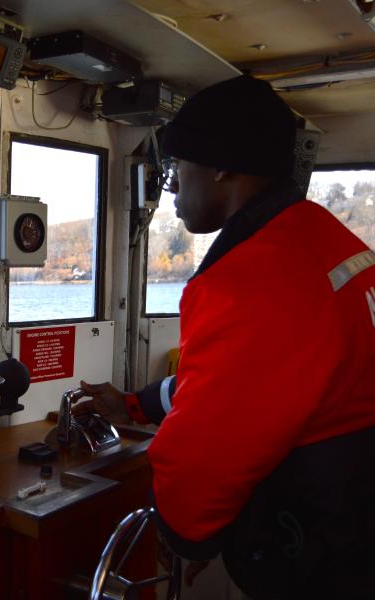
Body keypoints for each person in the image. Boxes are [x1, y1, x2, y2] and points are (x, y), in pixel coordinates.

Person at [76, 75, 375, 598]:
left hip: (327, 550)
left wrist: (185, 536)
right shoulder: (325, 239)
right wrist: (135, 404)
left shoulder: (250, 280)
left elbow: (200, 463)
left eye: (176, 167)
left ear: (221, 165)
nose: (171, 189)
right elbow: (243, 384)